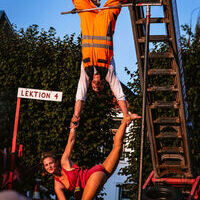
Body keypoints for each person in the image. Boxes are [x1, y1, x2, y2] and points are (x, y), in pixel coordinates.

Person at [42, 114, 140, 200]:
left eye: (50, 163)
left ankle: (126, 120)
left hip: (93, 176)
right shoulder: (58, 185)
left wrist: (72, 128)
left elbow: (70, 142)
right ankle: (125, 121)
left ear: (56, 162)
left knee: (117, 147)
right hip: (102, 173)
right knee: (118, 147)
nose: (49, 167)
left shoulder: (64, 162)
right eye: (46, 165)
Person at [71, 0, 136, 127]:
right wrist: (126, 114)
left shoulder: (86, 72)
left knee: (79, 2)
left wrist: (76, 116)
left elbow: (80, 95)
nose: (96, 85)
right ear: (104, 84)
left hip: (88, 22)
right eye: (99, 86)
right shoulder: (108, 71)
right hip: (104, 22)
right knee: (115, 2)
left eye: (94, 87)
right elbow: (119, 93)